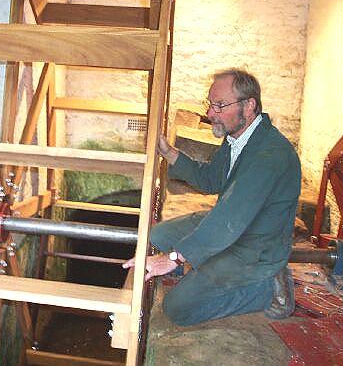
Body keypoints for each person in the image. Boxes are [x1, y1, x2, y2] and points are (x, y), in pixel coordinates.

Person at [124, 68, 301, 326]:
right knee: (158, 235)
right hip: (237, 226)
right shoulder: (238, 139)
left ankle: (267, 289)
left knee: (177, 308)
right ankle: (206, 267)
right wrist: (169, 152)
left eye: (220, 105)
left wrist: (174, 258)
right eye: (211, 104)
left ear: (249, 106)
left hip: (255, 247)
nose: (210, 114)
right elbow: (211, 180)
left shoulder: (269, 155)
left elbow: (228, 221)